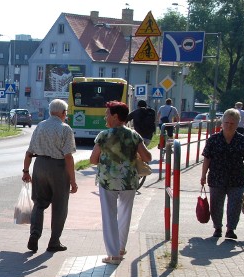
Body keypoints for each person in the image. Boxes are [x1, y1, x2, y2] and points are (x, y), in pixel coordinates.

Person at [89, 101, 152, 265]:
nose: (105, 116)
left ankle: (113, 254)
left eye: (107, 114)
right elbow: (147, 157)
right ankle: (121, 248)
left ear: (115, 116)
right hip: (129, 182)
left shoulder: (103, 136)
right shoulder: (134, 135)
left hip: (107, 181)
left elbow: (93, 159)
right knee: (125, 214)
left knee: (109, 216)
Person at [22, 98, 78, 253]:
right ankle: (54, 242)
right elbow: (68, 156)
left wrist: (26, 171)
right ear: (63, 113)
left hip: (39, 165)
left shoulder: (40, 126)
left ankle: (35, 234)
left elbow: (29, 152)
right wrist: (73, 180)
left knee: (39, 204)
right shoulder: (65, 129)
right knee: (60, 206)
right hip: (58, 168)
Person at [201, 108, 244, 239]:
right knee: (216, 204)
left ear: (237, 124)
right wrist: (203, 175)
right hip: (216, 178)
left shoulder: (242, 140)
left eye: (232, 123)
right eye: (226, 122)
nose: (228, 125)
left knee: (235, 205)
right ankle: (217, 228)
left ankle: (230, 229)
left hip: (236, 179)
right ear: (222, 123)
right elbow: (207, 158)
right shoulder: (214, 139)